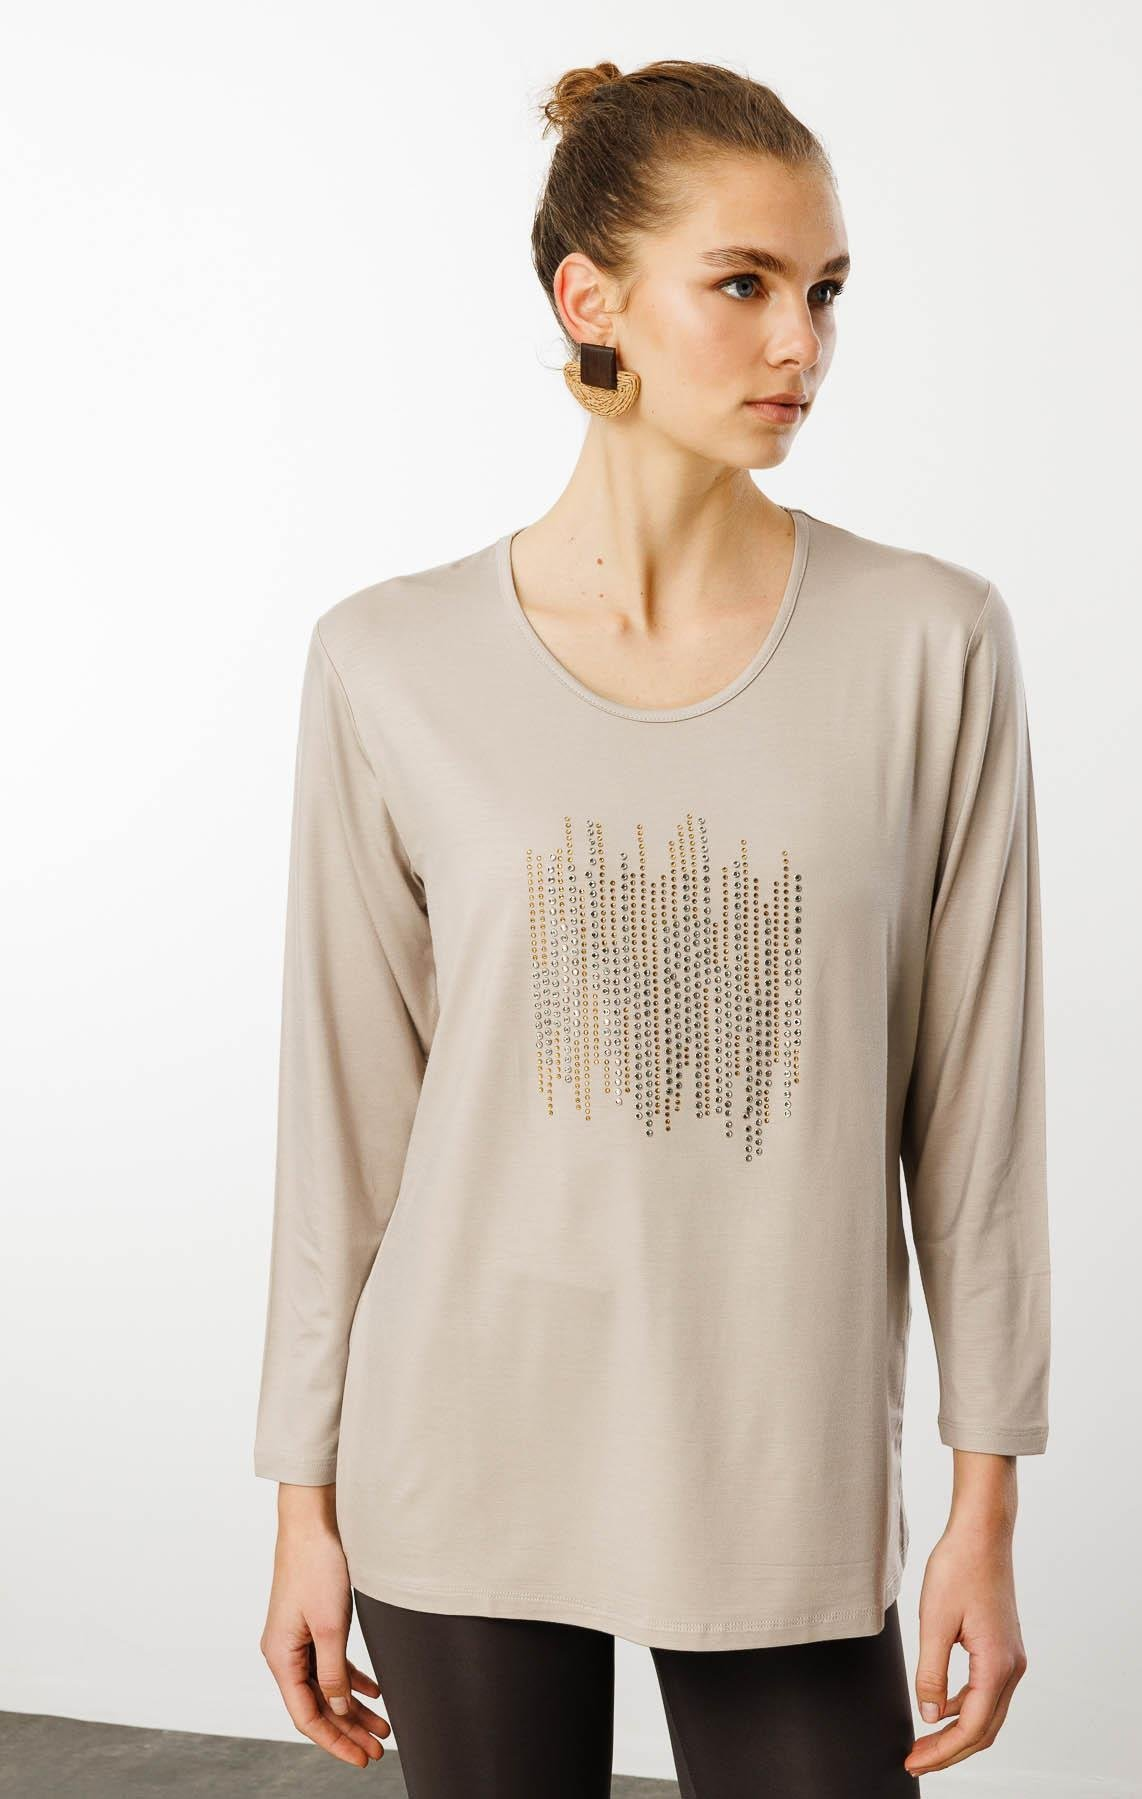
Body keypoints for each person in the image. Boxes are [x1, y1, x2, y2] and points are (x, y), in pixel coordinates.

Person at [253, 58, 1051, 1797]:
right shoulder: (388, 662)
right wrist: (303, 1498)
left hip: (778, 1468)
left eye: (826, 292)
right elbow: (346, 1123)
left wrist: (983, 1499)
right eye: (744, 284)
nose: (800, 345)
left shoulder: (931, 644)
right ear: (590, 300)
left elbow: (977, 1121)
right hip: (457, 1450)